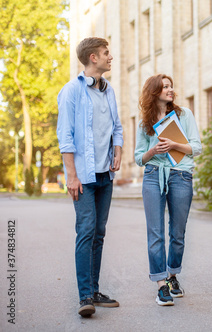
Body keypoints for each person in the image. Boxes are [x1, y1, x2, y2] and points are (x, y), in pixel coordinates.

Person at [57, 37, 123, 317]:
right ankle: (85, 296)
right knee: (85, 232)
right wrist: (71, 176)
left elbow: (117, 127)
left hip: (104, 174)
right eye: (107, 53)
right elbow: (66, 137)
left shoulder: (108, 91)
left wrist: (117, 152)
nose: (111, 57)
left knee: (99, 233)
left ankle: (94, 290)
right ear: (93, 58)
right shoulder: (71, 91)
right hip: (83, 177)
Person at [134, 74, 202, 306]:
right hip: (153, 175)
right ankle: (161, 285)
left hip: (181, 174)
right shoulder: (145, 122)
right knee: (155, 233)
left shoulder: (185, 115)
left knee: (178, 232)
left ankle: (173, 276)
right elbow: (138, 158)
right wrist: (154, 150)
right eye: (165, 87)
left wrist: (174, 145)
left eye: (171, 86)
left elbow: (196, 147)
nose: (170, 89)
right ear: (154, 92)